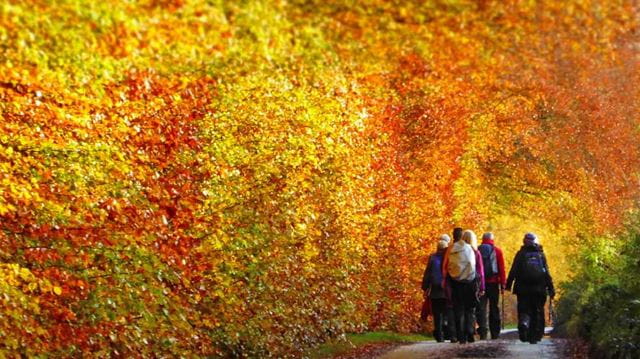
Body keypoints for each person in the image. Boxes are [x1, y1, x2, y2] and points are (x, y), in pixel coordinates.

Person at [506, 233, 555, 344]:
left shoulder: (520, 254)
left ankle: (524, 324)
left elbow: (513, 270)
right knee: (537, 310)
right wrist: (551, 288)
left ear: (524, 242)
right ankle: (535, 336)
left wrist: (508, 285)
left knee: (524, 309)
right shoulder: (541, 254)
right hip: (539, 288)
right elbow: (546, 272)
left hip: (522, 288)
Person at [442, 228, 477, 344]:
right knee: (469, 308)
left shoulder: (451, 248)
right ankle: (470, 331)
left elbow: (445, 267)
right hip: (469, 281)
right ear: (462, 236)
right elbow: (474, 265)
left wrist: (445, 279)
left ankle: (461, 336)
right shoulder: (469, 248)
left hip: (455, 282)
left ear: (453, 236)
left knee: (458, 308)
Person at [476, 232, 506, 340]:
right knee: (494, 307)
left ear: (483, 239)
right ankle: (495, 333)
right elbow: (501, 268)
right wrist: (503, 284)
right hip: (493, 283)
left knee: (481, 308)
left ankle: (483, 331)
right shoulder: (497, 251)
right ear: (492, 239)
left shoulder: (477, 250)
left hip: (480, 284)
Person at [421, 238, 449, 342]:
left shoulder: (432, 258)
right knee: (446, 312)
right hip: (446, 289)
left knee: (437, 313)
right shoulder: (449, 258)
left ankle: (438, 334)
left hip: (435, 290)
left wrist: (425, 287)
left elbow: (428, 273)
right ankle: (446, 331)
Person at [462, 230, 485, 342]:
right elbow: (480, 272)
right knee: (471, 309)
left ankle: (461, 333)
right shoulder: (476, 253)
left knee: (461, 308)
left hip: (459, 283)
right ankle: (470, 331)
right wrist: (482, 287)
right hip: (472, 284)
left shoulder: (457, 251)